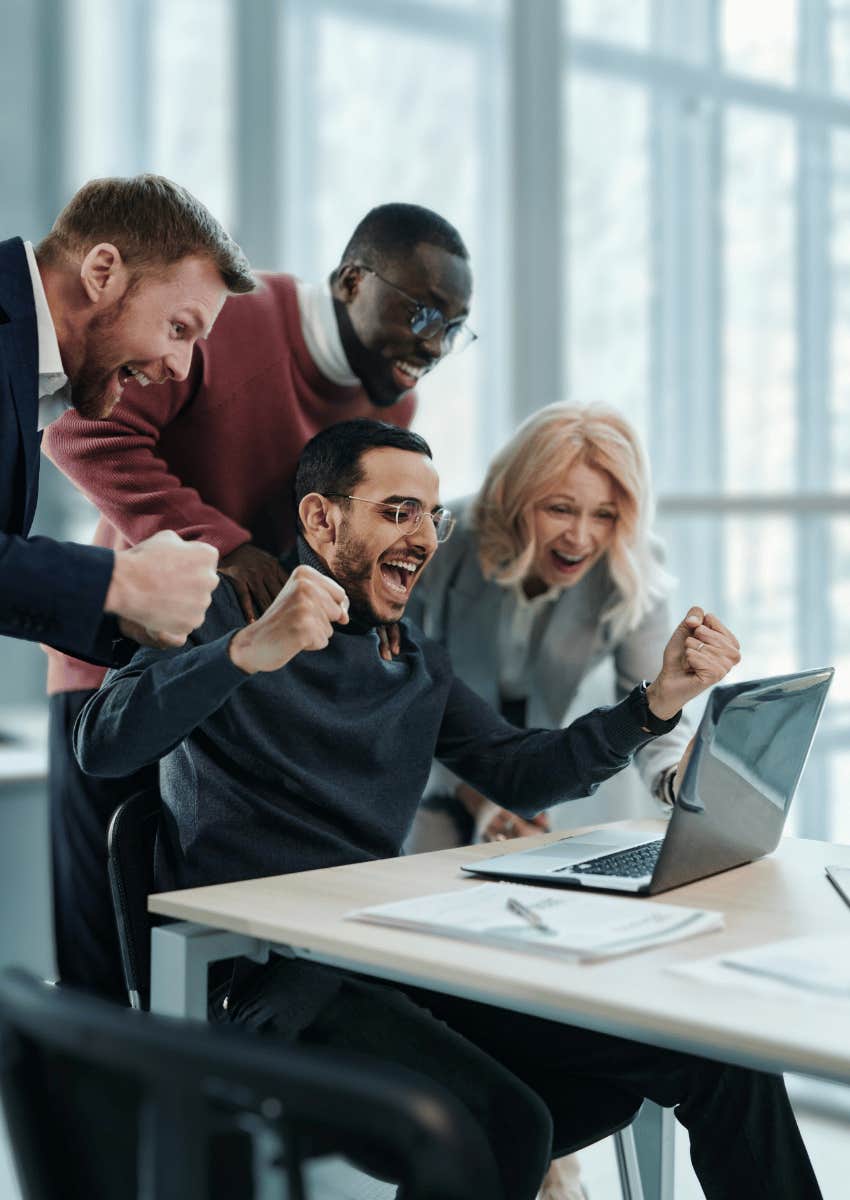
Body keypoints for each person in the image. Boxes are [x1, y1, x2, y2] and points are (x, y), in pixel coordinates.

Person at [75, 420, 821, 1200]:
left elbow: (520, 771)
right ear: (321, 520)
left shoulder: (410, 656)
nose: (424, 538)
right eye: (398, 512)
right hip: (268, 988)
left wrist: (656, 703)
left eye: (432, 517)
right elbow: (101, 744)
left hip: (384, 958)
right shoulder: (234, 609)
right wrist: (242, 652)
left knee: (710, 1056)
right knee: (507, 1125)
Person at [41, 202, 474, 1002]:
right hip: (126, 664)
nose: (434, 344)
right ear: (350, 282)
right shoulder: (232, 323)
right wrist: (224, 542)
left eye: (454, 327)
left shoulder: (394, 408)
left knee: (235, 971)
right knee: (106, 965)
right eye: (420, 313)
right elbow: (79, 434)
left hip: (249, 680)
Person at [404, 402, 691, 1199]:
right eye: (560, 507)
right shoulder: (444, 546)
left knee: (538, 964)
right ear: (513, 497)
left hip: (539, 787)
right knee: (452, 970)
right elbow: (415, 706)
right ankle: (518, 1153)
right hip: (430, 781)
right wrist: (484, 800)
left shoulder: (632, 563)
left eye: (606, 513)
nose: (581, 536)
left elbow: (656, 702)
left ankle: (535, 1151)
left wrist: (680, 780)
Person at [1, 173, 255, 665]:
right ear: (101, 272)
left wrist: (128, 612)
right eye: (178, 328)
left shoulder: (30, 370)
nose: (181, 368)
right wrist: (118, 581)